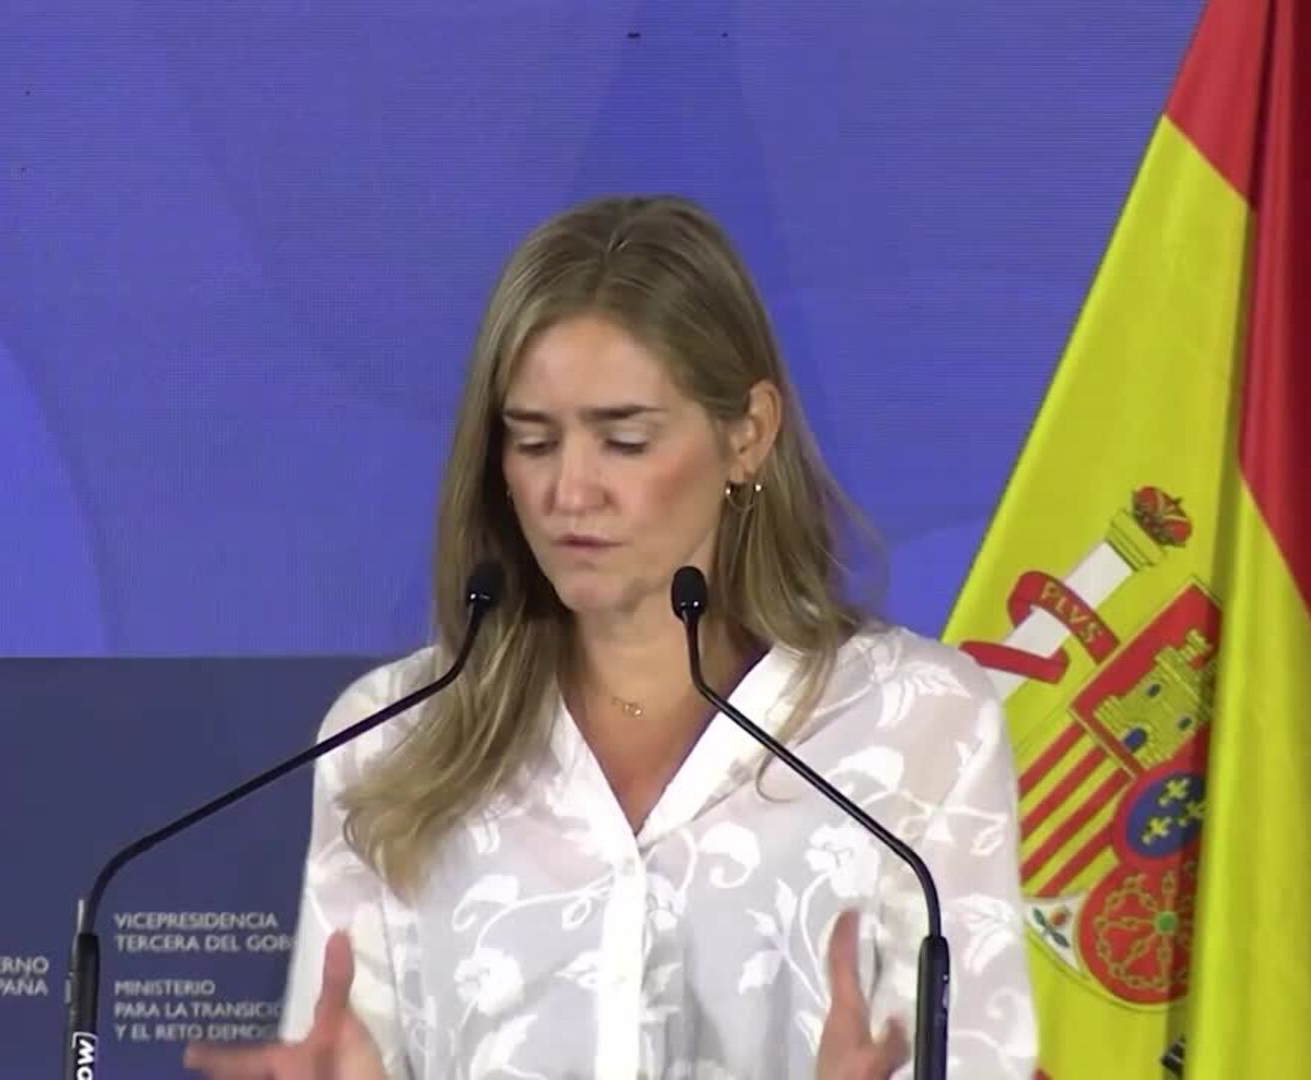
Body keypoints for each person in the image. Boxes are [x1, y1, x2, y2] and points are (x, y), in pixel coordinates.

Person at [185, 195, 1037, 1078]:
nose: (570, 493)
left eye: (624, 441)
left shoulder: (920, 722)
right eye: (533, 443)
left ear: (748, 435)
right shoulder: (390, 736)